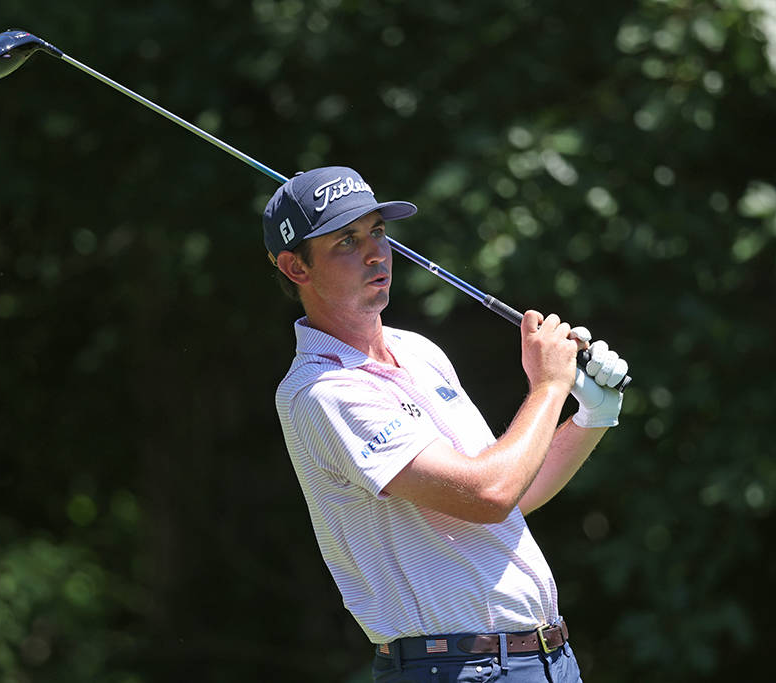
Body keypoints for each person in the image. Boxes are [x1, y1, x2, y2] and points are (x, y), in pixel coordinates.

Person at [264, 166, 628, 682]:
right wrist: (548, 387)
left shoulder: (418, 351)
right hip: (455, 669)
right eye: (347, 241)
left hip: (548, 661)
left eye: (377, 232)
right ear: (295, 267)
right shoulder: (322, 392)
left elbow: (513, 492)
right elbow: (488, 494)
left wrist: (591, 416)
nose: (375, 253)